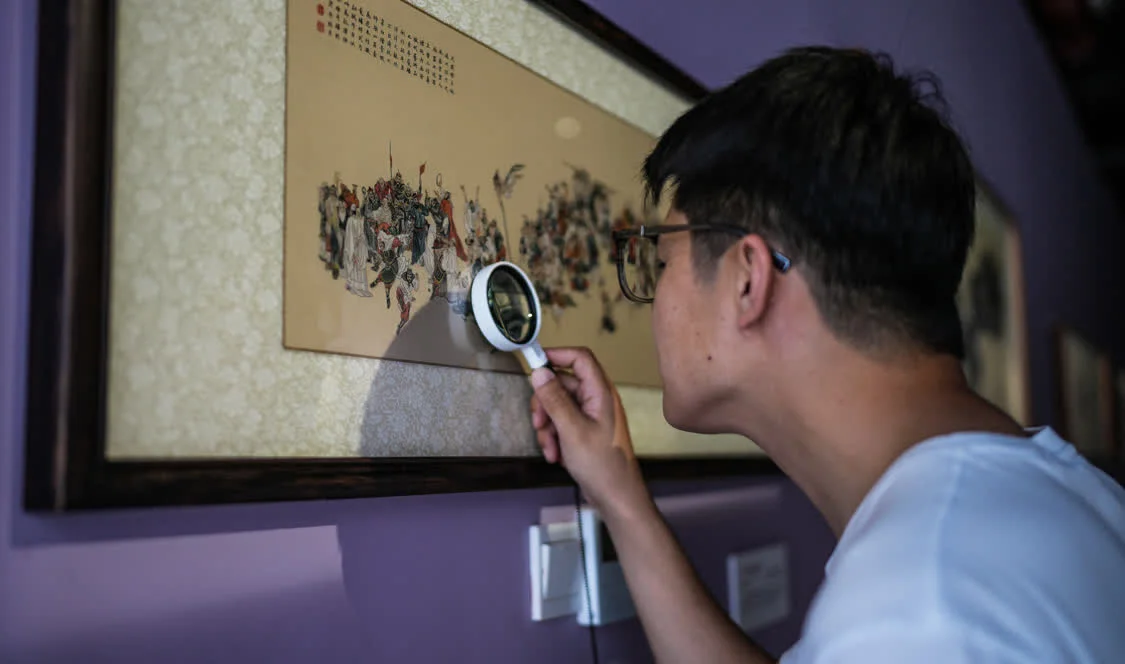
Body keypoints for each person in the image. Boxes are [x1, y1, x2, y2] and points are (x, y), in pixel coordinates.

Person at [529, 47, 1125, 663]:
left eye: (660, 265)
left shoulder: (920, 610)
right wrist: (623, 502)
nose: (652, 300)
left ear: (748, 280)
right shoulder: (1064, 497)